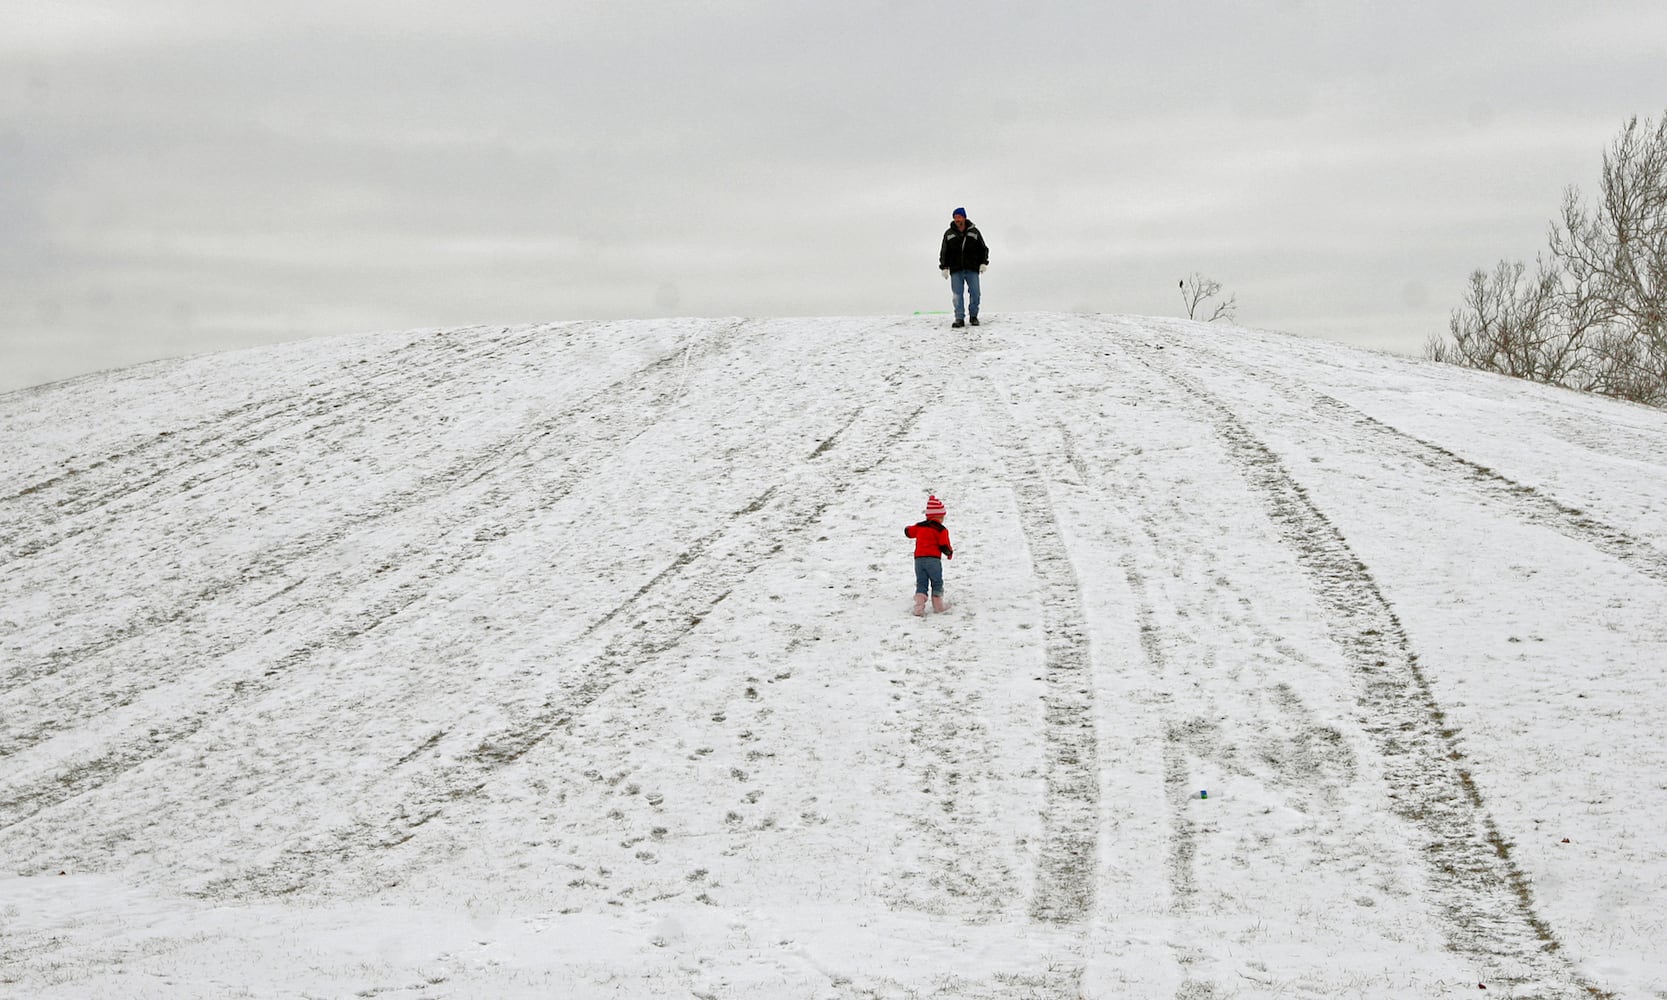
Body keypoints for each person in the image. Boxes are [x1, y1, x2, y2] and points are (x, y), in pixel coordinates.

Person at [938, 207, 989, 328]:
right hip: (956, 269)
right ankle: (959, 318)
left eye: (959, 217)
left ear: (964, 218)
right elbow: (944, 251)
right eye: (955, 217)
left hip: (972, 268)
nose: (957, 219)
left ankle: (973, 316)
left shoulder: (974, 232)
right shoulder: (949, 234)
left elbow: (983, 248)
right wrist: (944, 267)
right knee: (957, 295)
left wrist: (983, 263)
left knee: (975, 293)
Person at [904, 495, 954, 615]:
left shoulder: (920, 526)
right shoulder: (941, 529)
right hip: (933, 560)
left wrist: (906, 529)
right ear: (939, 516)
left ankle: (919, 607)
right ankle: (938, 605)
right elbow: (944, 545)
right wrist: (949, 553)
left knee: (921, 582)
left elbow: (909, 532)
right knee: (937, 582)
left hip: (919, 560)